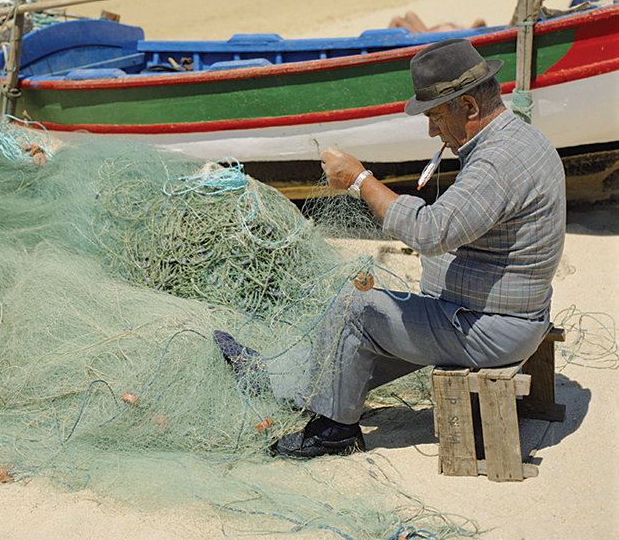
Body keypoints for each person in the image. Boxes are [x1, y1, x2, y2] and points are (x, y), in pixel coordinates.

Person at [214, 37, 566, 458]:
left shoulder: (496, 162)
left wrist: (361, 180)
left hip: (492, 330)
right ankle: (278, 381)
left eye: (436, 116)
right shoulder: (520, 139)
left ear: (469, 107)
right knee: (354, 336)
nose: (433, 130)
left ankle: (335, 430)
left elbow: (428, 231)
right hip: (499, 317)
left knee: (354, 308)